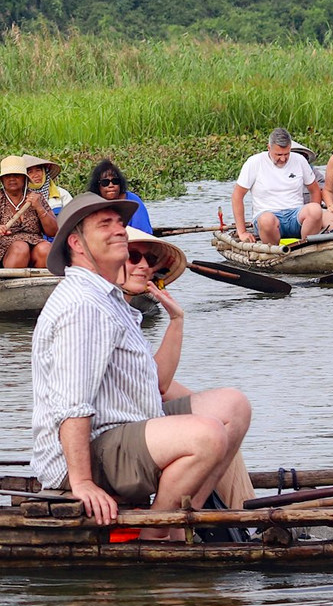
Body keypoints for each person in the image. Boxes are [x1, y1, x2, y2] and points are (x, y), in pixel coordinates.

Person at [31, 193, 253, 530]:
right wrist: (82, 482)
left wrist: (177, 321)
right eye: (105, 224)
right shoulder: (82, 305)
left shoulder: (111, 300)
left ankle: (184, 515)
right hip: (91, 449)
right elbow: (71, 403)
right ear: (76, 243)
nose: (120, 230)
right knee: (207, 435)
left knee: (233, 406)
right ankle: (157, 530)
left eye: (120, 223)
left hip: (126, 430)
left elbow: (154, 385)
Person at [117, 230, 252, 509]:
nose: (144, 266)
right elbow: (159, 385)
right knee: (213, 432)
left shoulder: (130, 315)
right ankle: (177, 521)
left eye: (150, 259)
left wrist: (177, 319)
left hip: (141, 418)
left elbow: (156, 383)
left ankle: (198, 512)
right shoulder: (101, 311)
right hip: (119, 436)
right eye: (133, 257)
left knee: (229, 416)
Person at [231, 129, 325, 245]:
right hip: (267, 215)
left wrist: (315, 221)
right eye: (278, 155)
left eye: (287, 154)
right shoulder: (254, 162)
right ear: (269, 148)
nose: (283, 159)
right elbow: (237, 196)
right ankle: (274, 250)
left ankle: (306, 245)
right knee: (267, 220)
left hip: (295, 215)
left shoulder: (299, 160)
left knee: (315, 210)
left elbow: (314, 190)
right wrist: (242, 232)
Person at [0, 156, 57, 270]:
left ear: (24, 179)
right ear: (3, 180)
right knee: (20, 247)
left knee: (46, 248)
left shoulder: (36, 198)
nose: (12, 179)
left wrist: (39, 208)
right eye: (8, 176)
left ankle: (37, 282)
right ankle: (11, 282)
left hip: (34, 247)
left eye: (16, 176)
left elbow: (53, 231)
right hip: (2, 253)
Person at [86, 159, 154, 234]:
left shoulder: (132, 201)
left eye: (115, 181)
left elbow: (143, 231)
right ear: (97, 186)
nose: (111, 185)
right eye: (105, 182)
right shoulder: (93, 204)